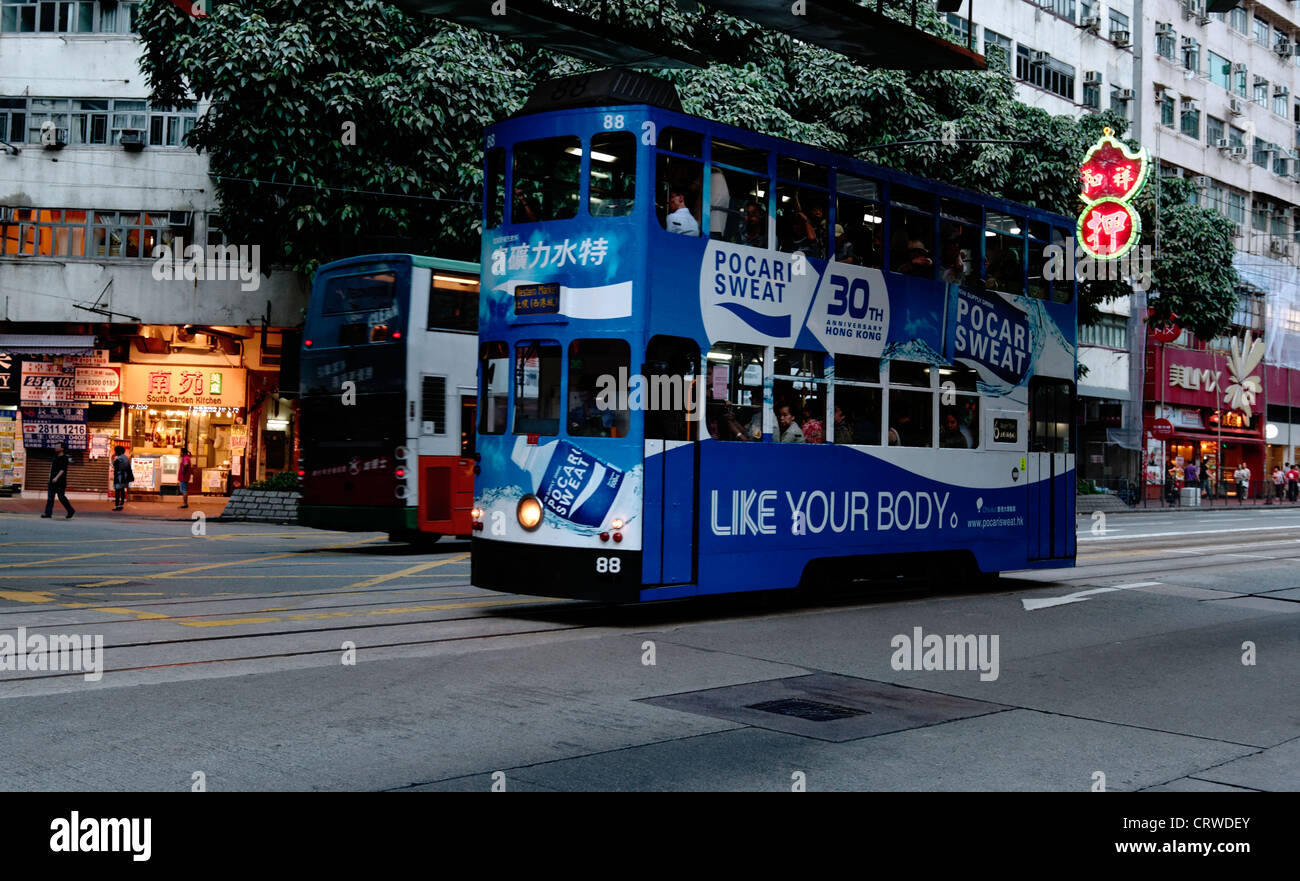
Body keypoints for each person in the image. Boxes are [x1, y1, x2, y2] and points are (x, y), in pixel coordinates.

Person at [42, 441, 75, 520]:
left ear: (62, 448)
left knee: (61, 497)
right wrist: (49, 477)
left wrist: (56, 478)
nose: (55, 447)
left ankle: (70, 511)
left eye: (57, 446)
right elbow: (51, 467)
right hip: (52, 481)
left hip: (60, 482)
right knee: (50, 498)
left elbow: (62, 470)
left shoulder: (65, 458)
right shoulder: (54, 457)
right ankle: (48, 513)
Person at [112, 445, 133, 511]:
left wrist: (112, 458)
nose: (114, 452)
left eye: (115, 451)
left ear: (117, 451)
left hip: (119, 477)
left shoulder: (119, 458)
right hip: (125, 477)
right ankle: (121, 504)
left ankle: (117, 505)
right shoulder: (126, 458)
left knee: (117, 491)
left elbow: (115, 466)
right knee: (122, 490)